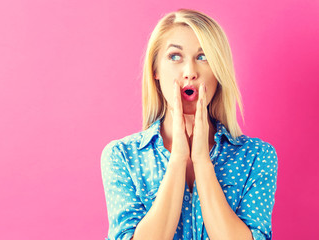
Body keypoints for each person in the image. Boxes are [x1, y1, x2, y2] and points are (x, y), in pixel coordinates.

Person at [100, 8, 278, 240]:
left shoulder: (257, 156)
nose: (190, 72)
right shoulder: (121, 156)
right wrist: (177, 161)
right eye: (175, 57)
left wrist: (202, 161)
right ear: (155, 70)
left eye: (203, 57)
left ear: (219, 71)